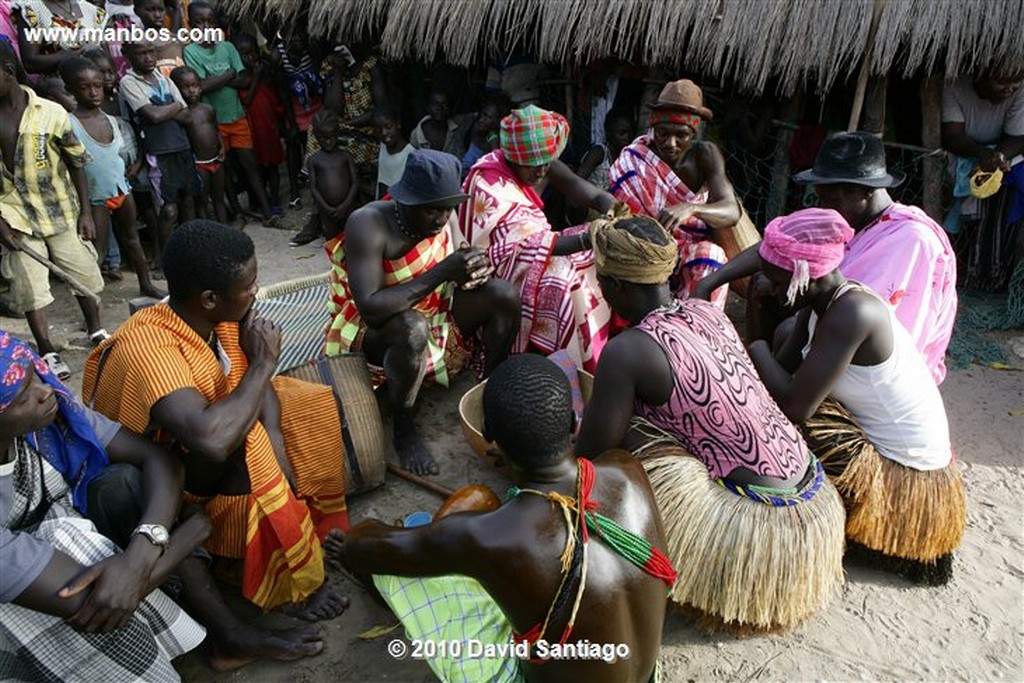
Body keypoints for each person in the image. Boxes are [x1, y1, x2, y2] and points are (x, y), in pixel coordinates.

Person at [330, 354, 673, 683]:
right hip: (646, 675)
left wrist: (351, 544)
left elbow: (364, 546)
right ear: (571, 421)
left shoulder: (487, 536)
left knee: (408, 563)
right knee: (481, 508)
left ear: (488, 433)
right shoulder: (628, 471)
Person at [575, 214, 845, 632]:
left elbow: (593, 451)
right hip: (813, 503)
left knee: (629, 434)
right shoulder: (709, 313)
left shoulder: (628, 351)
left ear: (617, 286)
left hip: (754, 525)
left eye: (603, 280)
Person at [83, 220, 351, 623]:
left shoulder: (222, 317)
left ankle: (270, 539)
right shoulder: (149, 346)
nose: (256, 293)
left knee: (304, 404)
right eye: (250, 286)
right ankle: (284, 577)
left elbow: (257, 390)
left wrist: (281, 454)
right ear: (209, 298)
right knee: (250, 442)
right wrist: (264, 363)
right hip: (148, 472)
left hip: (191, 448)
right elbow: (213, 439)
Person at [746, 208, 967, 585]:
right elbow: (774, 381)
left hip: (908, 474)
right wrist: (758, 322)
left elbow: (795, 408)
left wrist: (754, 345)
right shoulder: (825, 301)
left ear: (802, 274)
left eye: (773, 276)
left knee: (795, 428)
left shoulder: (853, 313)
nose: (766, 283)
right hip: (889, 452)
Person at [0, 329, 208, 682]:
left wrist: (144, 547)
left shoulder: (52, 420)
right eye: (22, 397)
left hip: (29, 553)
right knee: (70, 540)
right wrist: (186, 537)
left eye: (35, 372)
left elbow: (158, 460)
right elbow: (92, 604)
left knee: (118, 485)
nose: (46, 390)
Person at [695, 132, 958, 384]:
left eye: (830, 200)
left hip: (883, 361)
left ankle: (781, 389)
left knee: (790, 331)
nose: (823, 209)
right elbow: (778, 246)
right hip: (841, 319)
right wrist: (713, 280)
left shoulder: (911, 240)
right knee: (764, 287)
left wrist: (769, 339)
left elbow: (866, 318)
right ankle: (769, 383)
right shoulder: (851, 218)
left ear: (865, 192)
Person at [326, 150, 521, 476]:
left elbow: (458, 259)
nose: (442, 219)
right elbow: (372, 309)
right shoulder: (368, 223)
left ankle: (490, 390)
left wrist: (475, 268)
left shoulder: (444, 216)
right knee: (412, 328)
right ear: (406, 201)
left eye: (448, 209)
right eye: (432, 210)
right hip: (377, 328)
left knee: (504, 295)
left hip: (435, 309)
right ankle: (404, 427)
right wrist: (444, 271)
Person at [459, 105, 617, 373]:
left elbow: (587, 193)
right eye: (534, 167)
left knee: (594, 265)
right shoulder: (487, 182)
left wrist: (614, 209)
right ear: (511, 158)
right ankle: (556, 363)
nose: (542, 172)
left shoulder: (536, 160)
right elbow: (521, 246)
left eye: (547, 164)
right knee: (562, 280)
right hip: (494, 273)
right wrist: (592, 235)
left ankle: (587, 355)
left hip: (534, 250)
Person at [0, 42, 107, 380]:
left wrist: (86, 213)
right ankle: (46, 347)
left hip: (60, 210)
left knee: (84, 274)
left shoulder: (51, 112)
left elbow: (77, 163)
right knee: (30, 285)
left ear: (7, 70)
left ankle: (97, 331)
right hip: (15, 216)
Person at [608, 79, 740, 307]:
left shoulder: (705, 155)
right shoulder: (635, 159)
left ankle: (696, 327)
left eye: (681, 135)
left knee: (711, 256)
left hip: (686, 249)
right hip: (641, 246)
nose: (670, 143)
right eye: (662, 133)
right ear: (652, 129)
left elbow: (731, 210)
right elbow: (620, 215)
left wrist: (691, 208)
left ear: (694, 132)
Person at [62, 56, 163, 298]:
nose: (94, 92)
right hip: (95, 198)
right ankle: (91, 303)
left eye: (97, 85)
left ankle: (145, 284)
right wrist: (83, 209)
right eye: (84, 87)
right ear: (71, 90)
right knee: (97, 252)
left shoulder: (110, 120)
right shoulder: (70, 124)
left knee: (132, 239)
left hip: (121, 190)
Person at [183, 1, 276, 226]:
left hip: (237, 116)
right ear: (190, 24)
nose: (206, 27)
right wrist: (229, 74)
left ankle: (266, 212)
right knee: (224, 172)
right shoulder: (190, 51)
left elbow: (244, 80)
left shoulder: (228, 47)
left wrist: (217, 80)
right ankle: (237, 212)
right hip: (213, 123)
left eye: (211, 22)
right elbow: (201, 86)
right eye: (199, 23)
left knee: (249, 163)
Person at [119, 40, 200, 271]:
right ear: (129, 57)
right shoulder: (128, 82)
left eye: (151, 52)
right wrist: (174, 106)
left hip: (181, 147)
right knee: (168, 210)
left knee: (188, 204)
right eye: (141, 53)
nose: (148, 58)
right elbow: (151, 116)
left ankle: (193, 255)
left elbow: (187, 117)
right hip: (158, 151)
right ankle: (166, 262)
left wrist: (167, 110)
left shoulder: (164, 78)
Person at [941, 69, 1024, 291]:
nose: (1009, 90)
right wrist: (982, 154)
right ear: (981, 74)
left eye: (1015, 85)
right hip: (965, 151)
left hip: (1003, 152)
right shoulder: (955, 85)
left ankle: (996, 272)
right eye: (1001, 81)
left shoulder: (1018, 89)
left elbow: (1018, 137)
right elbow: (952, 136)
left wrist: (999, 156)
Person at [235, 32, 286, 217]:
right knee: (254, 168)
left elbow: (276, 97)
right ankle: (257, 201)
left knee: (272, 167)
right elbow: (247, 102)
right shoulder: (241, 78)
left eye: (252, 53)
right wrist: (255, 76)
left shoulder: (265, 72)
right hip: (250, 131)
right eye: (244, 54)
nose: (249, 57)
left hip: (268, 128)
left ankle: (275, 200)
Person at [170, 64, 228, 223]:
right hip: (199, 164)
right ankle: (209, 237)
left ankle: (226, 232)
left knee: (218, 197)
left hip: (216, 160)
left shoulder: (208, 109)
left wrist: (222, 146)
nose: (191, 90)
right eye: (186, 87)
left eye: (195, 85)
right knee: (201, 202)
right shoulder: (181, 115)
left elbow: (216, 130)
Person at [301, 109, 357, 245]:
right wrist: (326, 207)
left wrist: (346, 204)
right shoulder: (314, 160)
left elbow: (355, 182)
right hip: (327, 210)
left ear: (337, 134)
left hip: (347, 206)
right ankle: (335, 264)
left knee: (352, 236)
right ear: (315, 136)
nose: (328, 141)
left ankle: (350, 263)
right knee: (332, 239)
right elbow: (313, 188)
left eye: (332, 137)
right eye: (323, 138)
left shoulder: (345, 156)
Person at [12, 0, 105, 75]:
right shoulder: (32, 9)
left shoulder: (90, 9)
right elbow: (30, 62)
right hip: (60, 90)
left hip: (97, 86)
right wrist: (71, 55)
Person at [577, 106, 634, 191]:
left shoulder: (625, 159)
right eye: (622, 133)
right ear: (609, 132)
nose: (627, 138)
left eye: (630, 133)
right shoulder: (599, 153)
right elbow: (577, 182)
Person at [410, 88, 468, 159]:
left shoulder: (457, 128)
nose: (439, 108)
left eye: (444, 104)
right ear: (428, 107)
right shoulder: (416, 135)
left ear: (449, 108)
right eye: (435, 104)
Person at [133, 0, 185, 78]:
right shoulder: (138, 43)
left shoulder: (176, 40)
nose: (157, 15)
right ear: (136, 11)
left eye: (161, 10)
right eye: (150, 10)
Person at [460, 95, 509, 174]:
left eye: (488, 117)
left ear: (498, 121)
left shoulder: (494, 140)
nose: (482, 120)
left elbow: (496, 164)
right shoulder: (477, 128)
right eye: (483, 115)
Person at [374, 106, 413, 199]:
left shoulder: (411, 155)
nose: (384, 133)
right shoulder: (382, 146)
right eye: (379, 130)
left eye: (388, 127)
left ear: (398, 124)